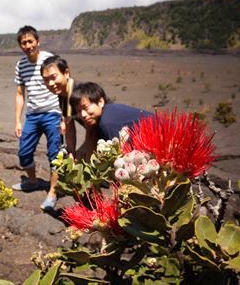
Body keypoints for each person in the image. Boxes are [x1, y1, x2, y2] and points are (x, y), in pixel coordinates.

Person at [11, 25, 61, 211]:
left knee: (55, 155)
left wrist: (65, 116)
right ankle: (32, 181)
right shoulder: (20, 65)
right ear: (20, 46)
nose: (27, 45)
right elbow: (19, 94)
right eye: (23, 43)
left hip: (53, 113)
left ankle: (53, 192)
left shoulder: (49, 59)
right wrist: (17, 120)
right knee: (24, 153)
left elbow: (63, 83)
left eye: (30, 41)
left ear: (37, 41)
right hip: (32, 115)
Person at [69, 82, 153, 160]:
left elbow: (122, 157)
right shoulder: (108, 112)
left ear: (100, 102)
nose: (83, 114)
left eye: (85, 107)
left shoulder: (107, 123)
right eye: (79, 111)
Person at [40, 55, 77, 156]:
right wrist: (71, 153)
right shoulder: (63, 95)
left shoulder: (78, 94)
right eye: (46, 80)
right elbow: (70, 126)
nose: (50, 83)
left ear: (66, 73)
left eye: (54, 77)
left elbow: (93, 130)